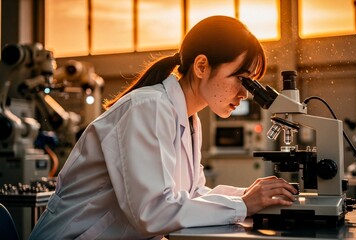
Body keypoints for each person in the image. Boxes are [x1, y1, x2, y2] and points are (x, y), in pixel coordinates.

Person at [29, 15, 297, 240]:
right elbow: (154, 211)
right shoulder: (147, 107)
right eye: (242, 79)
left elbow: (191, 194)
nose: (245, 93)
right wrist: (243, 205)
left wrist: (252, 196)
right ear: (202, 66)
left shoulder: (189, 118)